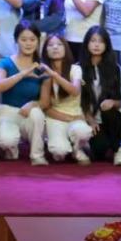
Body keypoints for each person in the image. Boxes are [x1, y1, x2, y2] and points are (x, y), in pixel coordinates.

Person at [0, 21, 48, 165]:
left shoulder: (42, 67)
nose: (28, 43)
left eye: (32, 39)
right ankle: (12, 149)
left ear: (38, 41)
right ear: (16, 40)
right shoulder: (5, 63)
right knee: (6, 141)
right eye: (23, 39)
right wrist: (23, 74)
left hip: (29, 114)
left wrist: (33, 104)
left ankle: (37, 155)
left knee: (37, 113)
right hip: (8, 112)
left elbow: (45, 101)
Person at [39, 34, 91, 163]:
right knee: (59, 153)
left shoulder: (75, 69)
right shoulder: (44, 73)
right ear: (45, 50)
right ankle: (60, 143)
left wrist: (54, 75)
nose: (55, 47)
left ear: (66, 48)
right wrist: (68, 118)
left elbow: (75, 91)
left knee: (83, 132)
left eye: (59, 44)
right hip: (55, 117)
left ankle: (77, 148)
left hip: (76, 114)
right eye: (50, 45)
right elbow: (46, 107)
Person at [80, 27, 121, 165]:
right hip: (87, 118)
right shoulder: (78, 67)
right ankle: (105, 144)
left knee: (111, 111)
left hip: (109, 117)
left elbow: (120, 101)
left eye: (101, 41)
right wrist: (89, 118)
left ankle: (118, 151)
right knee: (99, 151)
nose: (96, 45)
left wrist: (113, 102)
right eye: (93, 41)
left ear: (107, 45)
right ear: (86, 43)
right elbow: (77, 100)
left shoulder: (115, 68)